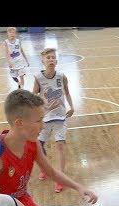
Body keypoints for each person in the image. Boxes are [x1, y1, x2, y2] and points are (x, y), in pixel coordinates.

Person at [32, 48, 75, 193]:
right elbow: (33, 98)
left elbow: (67, 93)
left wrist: (72, 106)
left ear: (56, 61)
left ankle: (60, 177)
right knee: (39, 147)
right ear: (43, 61)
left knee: (60, 146)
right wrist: (44, 108)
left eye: (53, 58)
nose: (51, 60)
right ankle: (45, 169)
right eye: (48, 58)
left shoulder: (62, 76)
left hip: (60, 117)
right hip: (44, 118)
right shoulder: (38, 77)